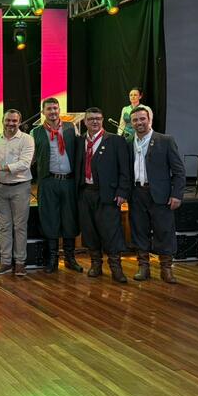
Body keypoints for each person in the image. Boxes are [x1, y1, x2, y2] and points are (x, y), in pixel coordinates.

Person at [128, 106, 186, 283]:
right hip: (136, 193)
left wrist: (177, 194)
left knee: (164, 231)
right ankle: (143, 267)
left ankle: (166, 269)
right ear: (131, 123)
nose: (139, 122)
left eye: (142, 119)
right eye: (135, 120)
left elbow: (179, 171)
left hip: (160, 195)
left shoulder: (165, 140)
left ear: (150, 120)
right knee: (139, 230)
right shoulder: (128, 141)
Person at [75, 108, 130, 283]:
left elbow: (125, 170)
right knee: (89, 231)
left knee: (111, 231)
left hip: (108, 194)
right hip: (86, 193)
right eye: (91, 119)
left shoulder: (115, 141)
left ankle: (116, 267)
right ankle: (95, 264)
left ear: (102, 120)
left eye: (98, 118)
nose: (95, 122)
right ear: (85, 122)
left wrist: (122, 191)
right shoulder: (79, 141)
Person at [30, 97, 83, 273]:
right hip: (48, 181)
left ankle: (70, 257)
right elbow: (30, 159)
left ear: (59, 110)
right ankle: (52, 258)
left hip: (68, 181)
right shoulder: (35, 132)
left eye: (55, 108)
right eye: (49, 109)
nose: (52, 112)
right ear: (43, 112)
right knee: (50, 218)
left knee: (69, 218)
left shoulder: (70, 128)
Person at [0, 110, 35, 276]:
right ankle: (6, 262)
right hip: (0, 188)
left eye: (14, 121)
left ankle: (20, 262)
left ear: (19, 122)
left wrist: (1, 168)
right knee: (4, 227)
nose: (10, 123)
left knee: (20, 226)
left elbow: (24, 164)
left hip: (20, 187)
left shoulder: (27, 139)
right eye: (8, 120)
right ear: (2, 121)